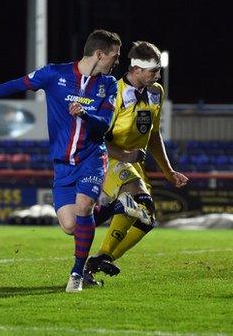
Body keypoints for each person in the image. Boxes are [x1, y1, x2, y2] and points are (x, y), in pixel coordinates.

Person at [0, 29, 143, 292]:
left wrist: (85, 115)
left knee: (84, 205)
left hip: (92, 156)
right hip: (63, 164)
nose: (117, 61)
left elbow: (103, 126)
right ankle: (117, 207)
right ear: (99, 54)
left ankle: (76, 274)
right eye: (114, 55)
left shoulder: (109, 84)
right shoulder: (55, 74)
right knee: (69, 226)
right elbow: (16, 84)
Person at [84, 41, 188, 284]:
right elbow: (95, 137)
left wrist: (169, 171)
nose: (157, 76)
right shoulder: (114, 93)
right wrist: (125, 156)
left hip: (134, 163)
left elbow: (153, 136)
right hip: (108, 159)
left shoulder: (156, 92)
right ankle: (86, 224)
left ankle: (99, 259)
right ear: (137, 69)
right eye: (153, 71)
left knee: (147, 218)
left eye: (159, 71)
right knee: (139, 201)